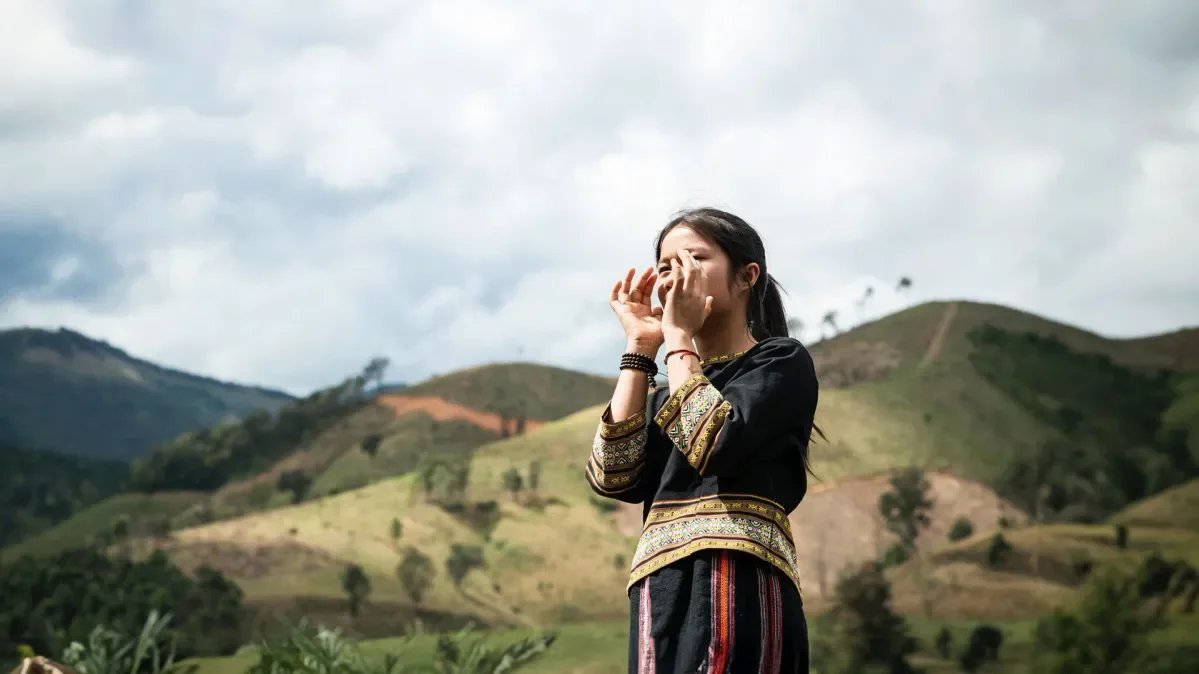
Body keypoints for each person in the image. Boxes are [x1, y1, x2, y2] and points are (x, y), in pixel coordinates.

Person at [586, 207, 819, 674]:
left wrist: (678, 337)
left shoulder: (779, 362)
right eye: (666, 266)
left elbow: (712, 441)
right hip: (660, 587)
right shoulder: (664, 393)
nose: (676, 276)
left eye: (695, 258)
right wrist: (641, 347)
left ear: (746, 276)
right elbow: (611, 476)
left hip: (739, 579)